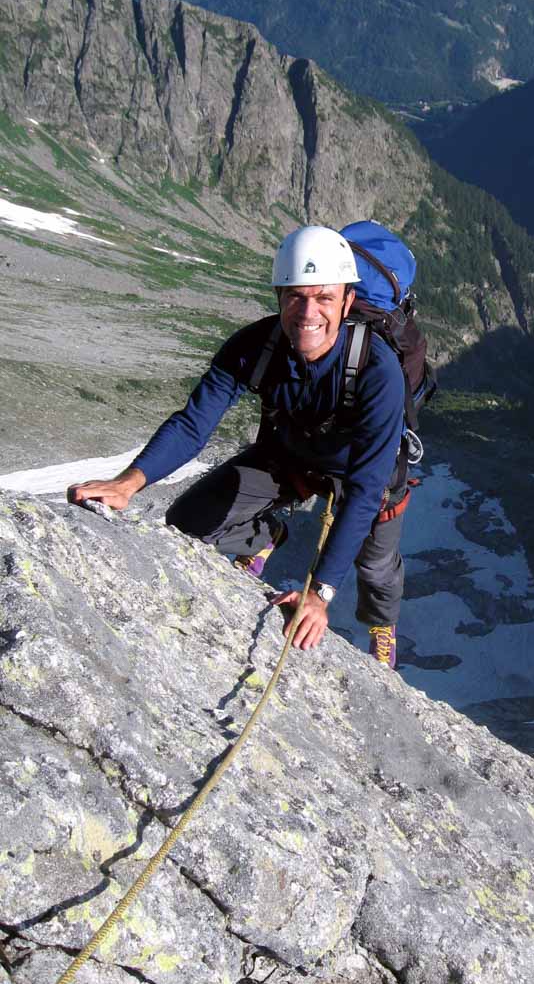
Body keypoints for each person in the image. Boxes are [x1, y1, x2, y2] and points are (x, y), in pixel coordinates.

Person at [69, 225, 407, 666]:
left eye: (324, 298)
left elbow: (365, 489)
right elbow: (193, 425)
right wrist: (129, 482)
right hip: (291, 457)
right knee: (187, 519)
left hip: (361, 470)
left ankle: (382, 625)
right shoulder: (256, 346)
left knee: (375, 566)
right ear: (279, 297)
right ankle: (268, 534)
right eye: (295, 297)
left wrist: (318, 593)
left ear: (347, 302)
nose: (308, 312)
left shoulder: (378, 370)